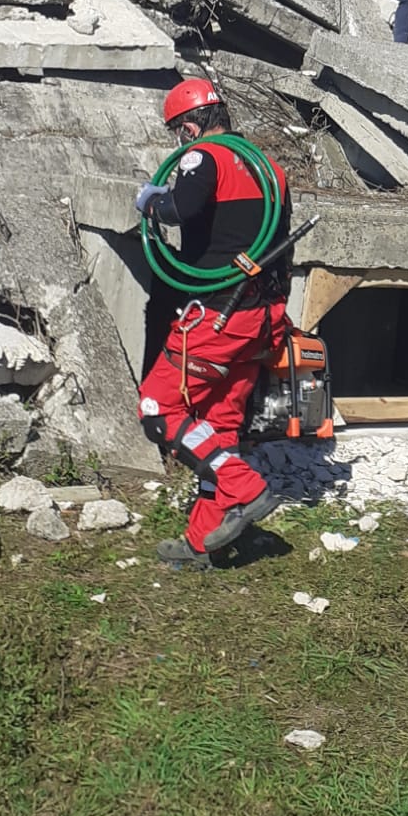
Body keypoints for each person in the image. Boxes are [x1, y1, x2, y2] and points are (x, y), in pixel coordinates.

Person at [134, 76, 290, 568]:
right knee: (219, 425)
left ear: (192, 124)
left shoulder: (204, 157)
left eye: (180, 131)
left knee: (159, 408)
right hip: (263, 315)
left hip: (220, 313)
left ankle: (246, 487)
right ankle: (203, 543)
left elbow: (181, 209)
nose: (180, 141)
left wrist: (152, 201)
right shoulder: (272, 170)